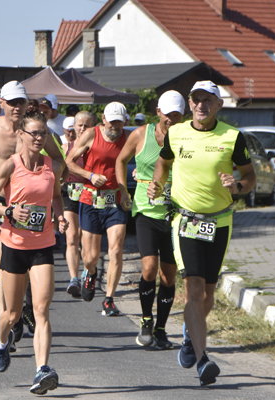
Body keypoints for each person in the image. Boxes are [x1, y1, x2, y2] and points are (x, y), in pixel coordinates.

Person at [147, 81, 255, 385]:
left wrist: (236, 187)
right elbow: (163, 163)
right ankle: (203, 357)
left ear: (218, 105)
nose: (200, 105)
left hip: (220, 222)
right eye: (195, 100)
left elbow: (249, 177)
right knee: (193, 287)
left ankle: (189, 334)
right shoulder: (177, 133)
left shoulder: (232, 137)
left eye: (207, 100)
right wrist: (157, 183)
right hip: (185, 220)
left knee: (208, 293)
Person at [0, 81, 66, 343]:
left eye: (21, 102)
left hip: (32, 209)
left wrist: (53, 186)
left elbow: (59, 161)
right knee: (2, 260)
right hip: (0, 204)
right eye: (11, 102)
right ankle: (8, 320)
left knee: (29, 265)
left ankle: (24, 307)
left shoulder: (35, 131)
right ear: (1, 103)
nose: (17, 107)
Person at [0, 111, 66, 394]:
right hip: (14, 246)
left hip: (42, 245)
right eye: (35, 133)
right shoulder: (10, 165)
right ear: (22, 135)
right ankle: (2, 341)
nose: (40, 138)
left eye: (44, 133)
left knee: (42, 309)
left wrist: (60, 215)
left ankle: (42, 369)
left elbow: (55, 195)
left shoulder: (51, 165)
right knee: (12, 314)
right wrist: (8, 210)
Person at [115, 90, 186, 349]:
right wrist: (123, 189)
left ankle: (161, 329)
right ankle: (146, 319)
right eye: (168, 116)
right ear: (158, 112)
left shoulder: (185, 138)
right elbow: (121, 160)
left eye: (177, 116)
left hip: (174, 214)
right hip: (146, 211)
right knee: (148, 269)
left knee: (169, 277)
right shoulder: (140, 134)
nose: (171, 121)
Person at [66, 102, 129, 316]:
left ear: (124, 121)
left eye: (119, 122)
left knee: (116, 249)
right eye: (111, 122)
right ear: (103, 119)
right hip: (90, 199)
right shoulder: (91, 134)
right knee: (90, 258)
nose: (115, 126)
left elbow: (139, 158)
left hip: (116, 201)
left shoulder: (127, 138)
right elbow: (69, 162)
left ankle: (109, 299)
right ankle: (90, 274)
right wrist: (90, 176)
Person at [61, 111, 94, 296]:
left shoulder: (96, 147)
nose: (82, 129)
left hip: (90, 193)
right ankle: (73, 279)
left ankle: (88, 272)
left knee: (86, 239)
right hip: (69, 193)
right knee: (72, 237)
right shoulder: (66, 146)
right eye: (79, 125)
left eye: (87, 125)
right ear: (74, 126)